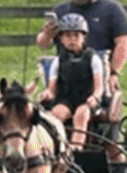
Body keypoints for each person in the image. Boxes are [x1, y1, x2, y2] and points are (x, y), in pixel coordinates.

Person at [35, 0, 127, 97]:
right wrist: (46, 35)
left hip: (97, 74)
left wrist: (113, 72)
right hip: (65, 77)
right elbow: (43, 44)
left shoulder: (112, 10)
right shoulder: (60, 11)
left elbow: (122, 43)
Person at [36, 14, 105, 150]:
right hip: (65, 100)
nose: (72, 40)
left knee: (81, 114)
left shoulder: (92, 59)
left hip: (86, 100)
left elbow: (99, 87)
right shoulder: (58, 61)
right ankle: (50, 146)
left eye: (76, 36)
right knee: (55, 115)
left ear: (83, 37)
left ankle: (75, 148)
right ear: (61, 39)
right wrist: (46, 95)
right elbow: (52, 90)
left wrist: (95, 97)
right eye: (68, 36)